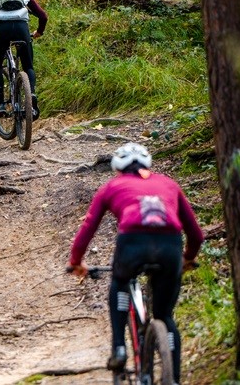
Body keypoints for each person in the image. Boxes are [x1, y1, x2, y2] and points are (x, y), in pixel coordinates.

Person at [67, 143, 204, 384]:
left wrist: (76, 261)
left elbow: (89, 226)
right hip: (170, 246)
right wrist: (188, 257)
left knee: (120, 281)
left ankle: (119, 349)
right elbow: (196, 234)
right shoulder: (169, 184)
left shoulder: (112, 186)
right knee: (165, 316)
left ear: (117, 169)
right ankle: (174, 378)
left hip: (133, 243)